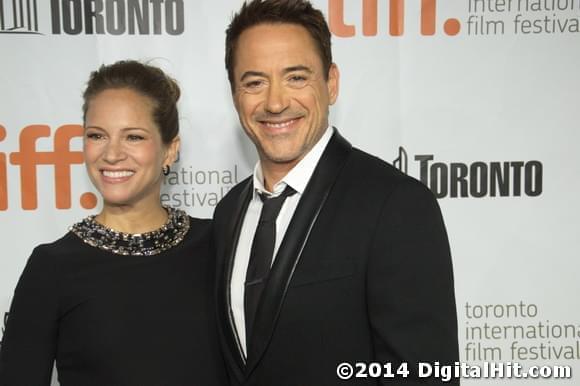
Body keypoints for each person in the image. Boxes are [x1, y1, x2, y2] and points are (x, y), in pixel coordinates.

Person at [212, 0, 460, 385]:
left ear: (331, 83)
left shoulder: (395, 205)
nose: (275, 102)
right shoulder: (228, 213)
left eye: (296, 78)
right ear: (234, 94)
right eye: (255, 82)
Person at [0, 60, 227, 385]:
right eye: (97, 135)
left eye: (133, 137)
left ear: (170, 150)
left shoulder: (218, 244)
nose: (112, 153)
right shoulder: (51, 267)